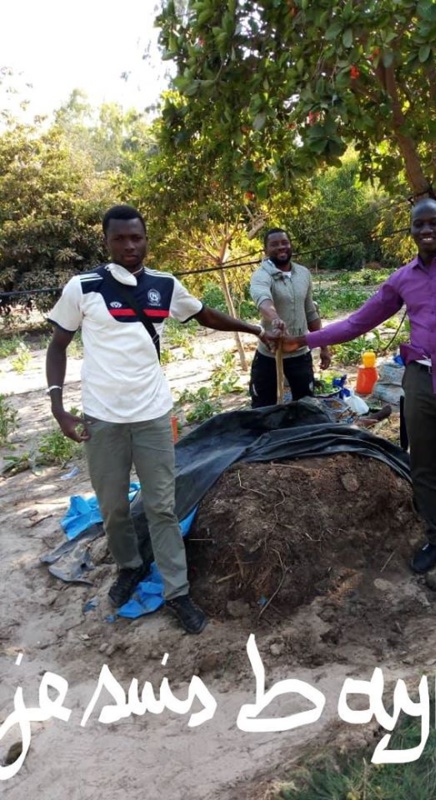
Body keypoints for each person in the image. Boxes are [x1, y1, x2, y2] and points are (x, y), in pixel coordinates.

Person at [277, 198, 436, 599]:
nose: (426, 230)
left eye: (433, 223)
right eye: (418, 224)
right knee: (423, 469)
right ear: (411, 230)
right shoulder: (404, 278)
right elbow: (359, 321)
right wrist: (304, 339)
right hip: (419, 384)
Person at [46, 204, 270, 634]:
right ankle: (128, 566)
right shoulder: (83, 287)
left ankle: (177, 592)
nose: (130, 246)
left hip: (152, 415)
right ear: (106, 241)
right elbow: (57, 346)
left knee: (162, 507)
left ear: (146, 239)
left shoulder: (165, 286)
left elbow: (205, 314)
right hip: (103, 420)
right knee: (112, 509)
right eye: (120, 239)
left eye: (137, 238)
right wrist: (58, 407)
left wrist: (254, 329)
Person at [249, 228, 331, 407]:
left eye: (284, 243)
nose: (281, 247)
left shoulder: (303, 274)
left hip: (300, 354)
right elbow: (262, 299)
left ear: (290, 245)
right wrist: (275, 318)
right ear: (266, 250)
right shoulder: (261, 275)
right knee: (263, 407)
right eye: (274, 244)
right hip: (270, 354)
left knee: (306, 406)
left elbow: (310, 312)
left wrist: (324, 346)